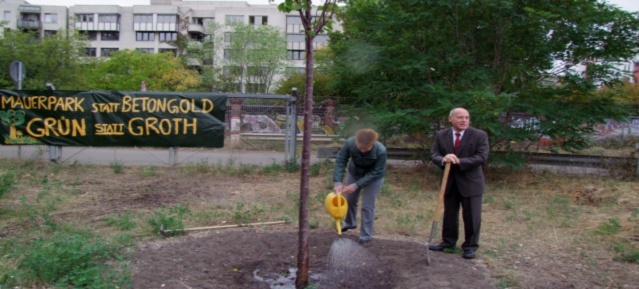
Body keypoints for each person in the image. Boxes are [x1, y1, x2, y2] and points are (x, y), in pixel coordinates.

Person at [429, 108, 489, 259]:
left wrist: (458, 160)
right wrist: (444, 159)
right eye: (460, 117)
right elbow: (434, 154)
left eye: (467, 117)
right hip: (449, 181)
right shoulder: (441, 135)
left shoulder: (479, 135)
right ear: (450, 119)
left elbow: (481, 157)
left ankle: (470, 246)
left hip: (471, 183)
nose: (464, 120)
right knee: (449, 214)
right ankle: (448, 242)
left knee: (472, 216)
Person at [333, 128, 387, 246]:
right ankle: (350, 223)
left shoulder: (381, 150)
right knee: (350, 199)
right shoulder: (350, 143)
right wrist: (337, 182)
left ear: (372, 144)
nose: (362, 151)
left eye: (365, 149)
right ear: (356, 142)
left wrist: (357, 185)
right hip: (355, 172)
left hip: (374, 177)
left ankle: (365, 235)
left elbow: (376, 172)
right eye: (360, 148)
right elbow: (341, 160)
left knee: (367, 205)